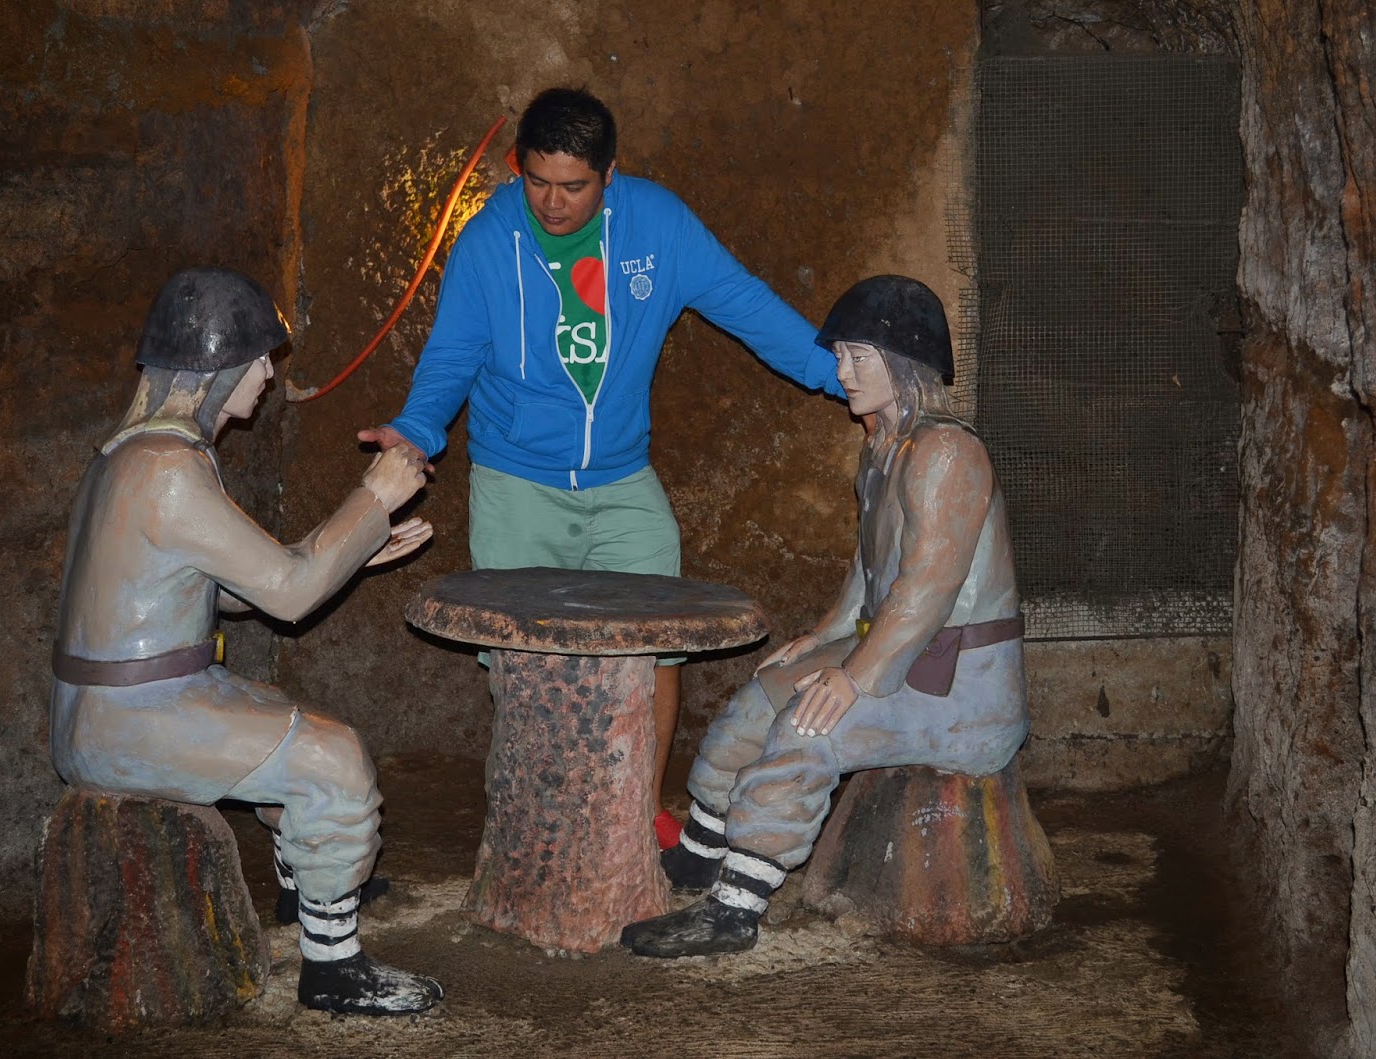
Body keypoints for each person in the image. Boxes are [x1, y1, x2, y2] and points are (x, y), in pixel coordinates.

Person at [358, 87, 845, 848]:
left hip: (621, 478)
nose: (550, 202)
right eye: (537, 180)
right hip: (516, 479)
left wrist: (839, 372)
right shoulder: (489, 242)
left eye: (572, 185)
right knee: (521, 661)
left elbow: (745, 304)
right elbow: (452, 355)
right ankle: (534, 818)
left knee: (656, 641)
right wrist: (416, 429)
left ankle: (636, 811)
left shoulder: (659, 226)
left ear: (610, 174)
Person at [48, 267, 443, 1015]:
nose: (267, 372)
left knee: (284, 717)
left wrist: (357, 546)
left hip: (107, 708)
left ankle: (309, 881)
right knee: (334, 757)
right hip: (131, 717)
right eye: (256, 356)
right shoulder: (167, 468)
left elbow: (220, 585)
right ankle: (333, 962)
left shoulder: (128, 455)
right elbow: (291, 594)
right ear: (212, 366)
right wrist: (373, 498)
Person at [620, 275, 1032, 957]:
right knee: (761, 701)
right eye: (840, 355)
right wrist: (823, 637)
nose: (841, 372)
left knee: (806, 728)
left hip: (960, 688)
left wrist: (855, 676)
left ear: (903, 364)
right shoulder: (883, 452)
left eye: (856, 358)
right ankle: (697, 854)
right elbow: (871, 574)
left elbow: (926, 587)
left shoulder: (948, 453)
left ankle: (735, 908)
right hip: (902, 657)